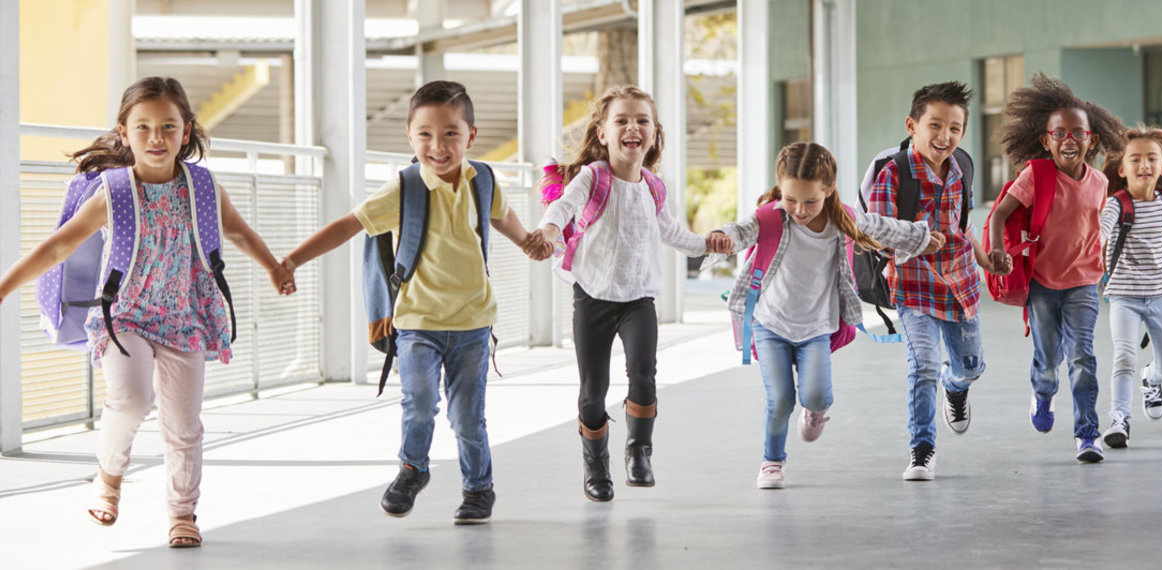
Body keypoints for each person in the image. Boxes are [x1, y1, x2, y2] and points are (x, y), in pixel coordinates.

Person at [0, 77, 293, 547]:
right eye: (144, 128)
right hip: (123, 318)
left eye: (167, 127)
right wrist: (3, 288)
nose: (156, 138)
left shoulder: (201, 186)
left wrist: (274, 267)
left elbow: (236, 231)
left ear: (186, 131)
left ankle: (182, 514)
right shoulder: (113, 191)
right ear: (124, 132)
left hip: (184, 318)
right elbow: (57, 247)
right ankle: (109, 476)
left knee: (183, 425)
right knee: (132, 399)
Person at [279, 81, 551, 524]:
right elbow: (347, 226)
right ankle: (412, 468)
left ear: (471, 136)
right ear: (409, 135)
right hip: (417, 322)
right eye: (425, 134)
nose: (437, 145)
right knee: (419, 401)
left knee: (467, 418)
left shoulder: (482, 179)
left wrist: (528, 243)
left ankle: (479, 488)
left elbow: (501, 216)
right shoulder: (402, 189)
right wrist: (291, 260)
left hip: (473, 324)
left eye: (450, 134)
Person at [711, 142, 943, 489]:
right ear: (780, 187)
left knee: (816, 394)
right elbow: (740, 231)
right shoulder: (770, 217)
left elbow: (882, 228)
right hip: (770, 323)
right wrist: (722, 237)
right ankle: (772, 461)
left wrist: (921, 237)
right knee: (780, 399)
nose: (800, 210)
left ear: (829, 190)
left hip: (816, 327)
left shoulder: (841, 219)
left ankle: (815, 410)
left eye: (810, 201)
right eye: (791, 200)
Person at [535, 85, 723, 502]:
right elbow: (564, 207)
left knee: (643, 375)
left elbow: (672, 232)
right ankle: (596, 466)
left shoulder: (655, 186)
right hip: (593, 297)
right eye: (621, 120)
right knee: (592, 391)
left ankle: (639, 451)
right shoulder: (593, 176)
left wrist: (708, 243)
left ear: (654, 133)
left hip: (638, 298)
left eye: (642, 121)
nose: (632, 127)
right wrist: (549, 228)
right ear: (602, 133)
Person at [866, 81, 1009, 481]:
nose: (944, 136)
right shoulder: (893, 173)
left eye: (954, 128)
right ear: (912, 125)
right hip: (913, 285)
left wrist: (989, 262)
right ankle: (922, 449)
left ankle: (957, 386)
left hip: (961, 283)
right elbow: (877, 232)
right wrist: (918, 241)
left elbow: (962, 228)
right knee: (923, 364)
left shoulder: (961, 167)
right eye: (935, 125)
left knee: (971, 367)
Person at [989, 74, 1125, 463]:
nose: (1069, 139)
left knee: (1083, 356)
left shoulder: (1100, 182)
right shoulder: (1037, 175)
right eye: (1059, 132)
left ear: (1091, 140)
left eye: (1077, 133)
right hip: (1043, 283)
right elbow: (999, 215)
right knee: (1048, 359)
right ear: (1046, 140)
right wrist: (998, 251)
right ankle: (1043, 393)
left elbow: (1099, 226)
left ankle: (1087, 434)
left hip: (1084, 282)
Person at [1097, 126, 1162, 448]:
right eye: (1135, 159)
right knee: (1123, 357)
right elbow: (1103, 228)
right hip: (1124, 296)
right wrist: (1095, 243)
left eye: (1151, 159)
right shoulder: (1117, 204)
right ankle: (1119, 419)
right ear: (1122, 168)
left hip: (1161, 294)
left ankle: (1150, 379)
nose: (1144, 164)